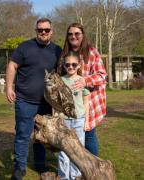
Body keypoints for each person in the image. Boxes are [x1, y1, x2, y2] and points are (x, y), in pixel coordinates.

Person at [6, 18, 62, 180]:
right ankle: (19, 168)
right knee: (23, 135)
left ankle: (40, 164)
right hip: (25, 100)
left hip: (47, 102)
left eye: (46, 30)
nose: (43, 32)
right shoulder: (25, 47)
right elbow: (12, 66)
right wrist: (9, 87)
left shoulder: (57, 50)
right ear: (36, 31)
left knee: (42, 136)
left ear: (51, 31)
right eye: (40, 30)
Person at [58, 23, 106, 156]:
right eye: (70, 34)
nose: (73, 36)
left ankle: (94, 170)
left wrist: (85, 81)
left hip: (88, 102)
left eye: (77, 33)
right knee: (70, 139)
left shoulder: (91, 52)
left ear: (82, 35)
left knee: (89, 135)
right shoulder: (65, 54)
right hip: (69, 105)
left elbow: (102, 75)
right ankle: (74, 170)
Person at [58, 51, 89, 180]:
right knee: (63, 152)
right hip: (64, 121)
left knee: (78, 151)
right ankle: (64, 177)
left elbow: (86, 102)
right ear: (64, 66)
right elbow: (55, 102)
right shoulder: (60, 81)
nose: (70, 67)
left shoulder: (82, 81)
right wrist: (58, 118)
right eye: (67, 65)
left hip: (79, 121)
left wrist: (86, 121)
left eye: (74, 64)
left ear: (79, 65)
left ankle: (76, 176)